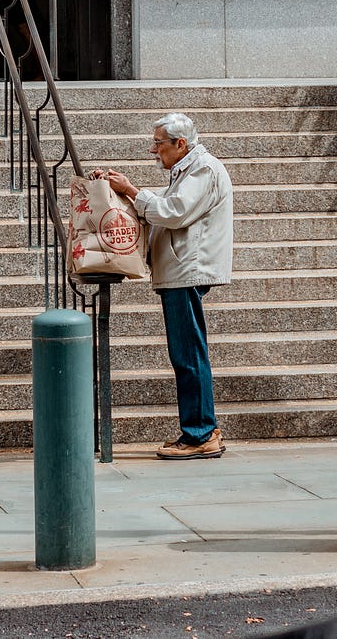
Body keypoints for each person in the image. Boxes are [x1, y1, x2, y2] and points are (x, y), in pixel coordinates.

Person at [96, 113, 234, 460]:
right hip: (180, 270)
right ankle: (201, 428)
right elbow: (161, 206)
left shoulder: (203, 169)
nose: (152, 149)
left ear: (180, 144)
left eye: (158, 143)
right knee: (187, 352)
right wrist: (126, 191)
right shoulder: (187, 170)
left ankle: (201, 432)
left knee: (188, 354)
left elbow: (173, 211)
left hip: (188, 270)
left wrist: (130, 190)